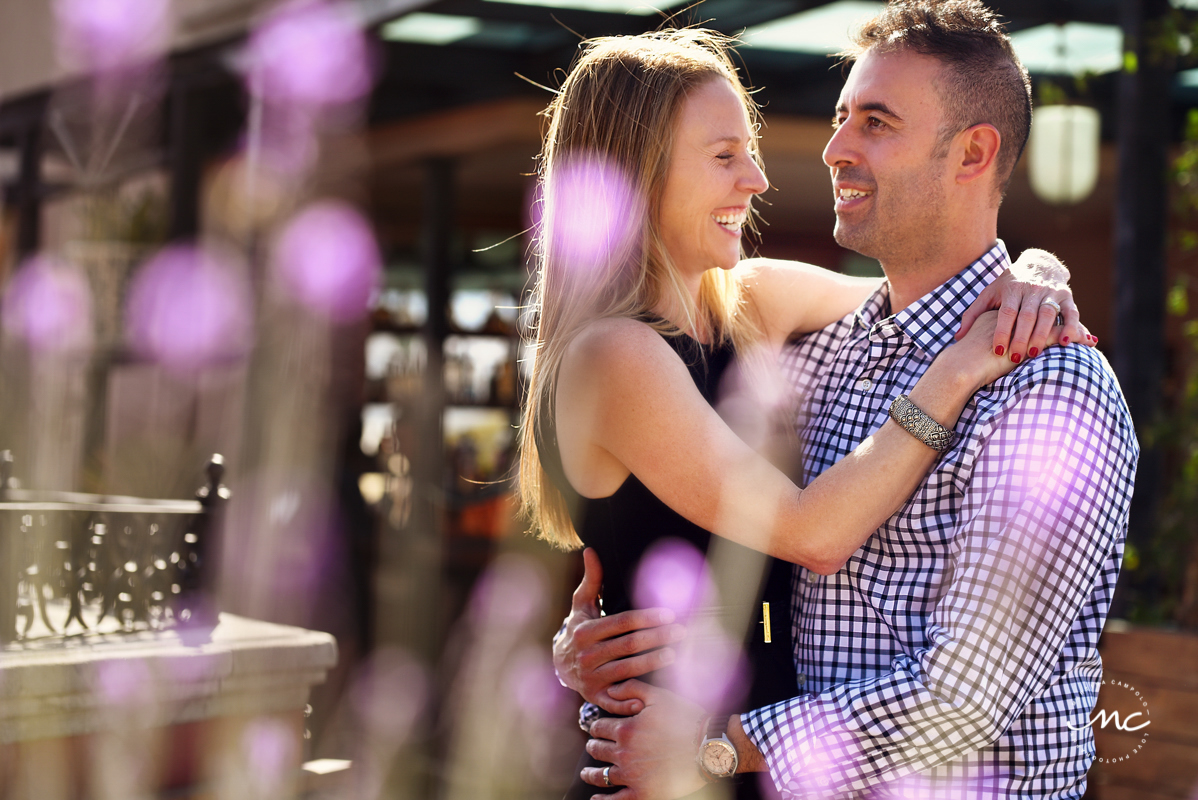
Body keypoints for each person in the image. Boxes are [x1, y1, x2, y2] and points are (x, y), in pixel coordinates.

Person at [556, 3, 1138, 799]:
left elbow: (960, 704)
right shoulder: (818, 357)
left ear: (974, 153)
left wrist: (1039, 273)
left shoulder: (1047, 388)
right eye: (840, 118)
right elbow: (792, 535)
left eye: (876, 122)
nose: (831, 150)